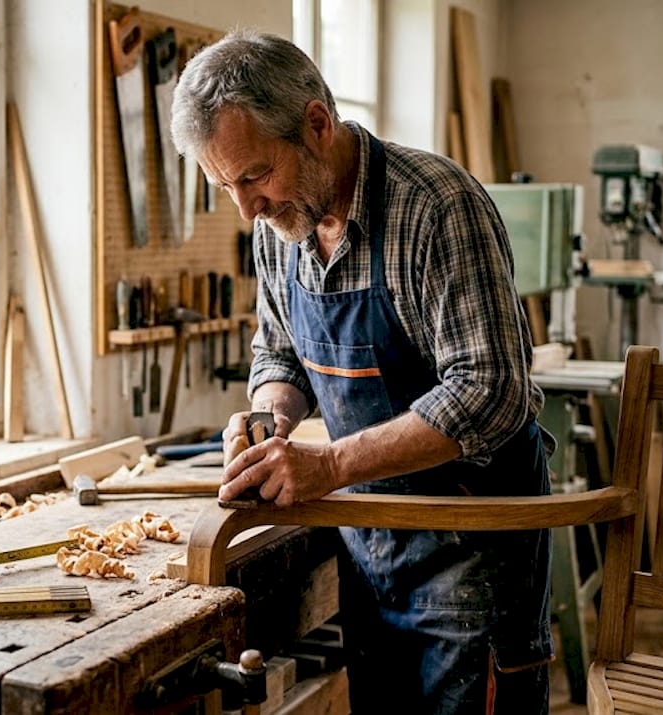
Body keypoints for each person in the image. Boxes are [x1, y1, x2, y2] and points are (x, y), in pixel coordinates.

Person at [170, 31, 554, 714]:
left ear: (317, 125)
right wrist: (270, 417)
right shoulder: (278, 226)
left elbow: (491, 391)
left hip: (473, 549)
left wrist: (328, 465)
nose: (246, 208)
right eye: (224, 185)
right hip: (372, 547)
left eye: (254, 176)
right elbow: (280, 353)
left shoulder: (436, 207)